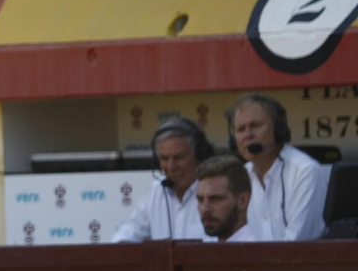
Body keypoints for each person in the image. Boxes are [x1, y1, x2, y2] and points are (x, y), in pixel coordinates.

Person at [228, 94, 329, 241]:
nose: (248, 135)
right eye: (241, 129)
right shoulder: (241, 176)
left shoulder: (304, 171)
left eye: (255, 126)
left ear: (278, 130)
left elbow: (297, 244)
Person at [111, 117, 214, 242]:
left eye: (179, 157)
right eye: (164, 159)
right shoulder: (157, 191)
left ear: (199, 155)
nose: (171, 167)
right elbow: (127, 232)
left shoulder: (216, 190)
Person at [195, 156, 256, 242]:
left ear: (243, 201)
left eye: (215, 199)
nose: (205, 209)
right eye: (200, 199)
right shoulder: (203, 248)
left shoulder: (259, 249)